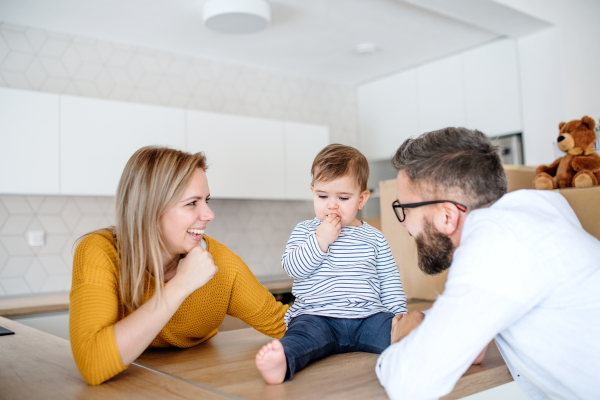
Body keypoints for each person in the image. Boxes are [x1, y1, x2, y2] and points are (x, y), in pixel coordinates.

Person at [376, 127, 600, 399]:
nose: (403, 223)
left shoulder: (497, 241)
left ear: (447, 216)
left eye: (405, 209)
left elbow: (411, 382)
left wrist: (405, 339)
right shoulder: (539, 208)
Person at [69, 146, 289, 385]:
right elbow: (92, 363)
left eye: (206, 200)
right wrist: (181, 285)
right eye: (192, 203)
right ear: (149, 209)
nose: (209, 214)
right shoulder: (99, 252)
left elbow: (283, 323)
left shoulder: (221, 264)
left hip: (197, 382)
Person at [255, 144, 407, 384]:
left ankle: (419, 354)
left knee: (403, 335)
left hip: (368, 317)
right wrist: (320, 241)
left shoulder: (374, 237)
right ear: (313, 192)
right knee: (300, 337)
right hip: (317, 317)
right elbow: (292, 267)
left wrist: (400, 318)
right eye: (323, 196)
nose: (331, 205)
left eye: (343, 198)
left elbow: (389, 280)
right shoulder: (305, 231)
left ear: (362, 199)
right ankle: (283, 361)